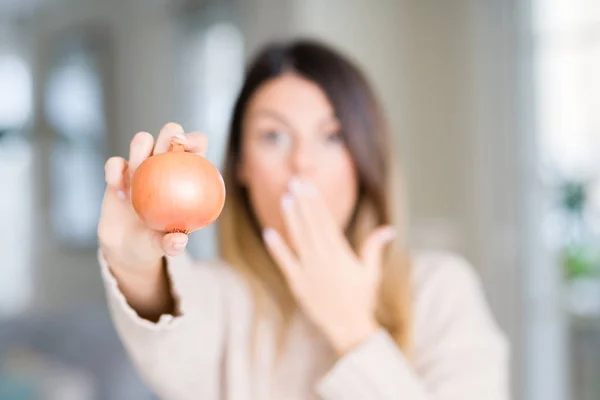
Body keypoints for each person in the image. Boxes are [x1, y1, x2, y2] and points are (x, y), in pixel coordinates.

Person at [97, 40, 509, 399]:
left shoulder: (439, 291)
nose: (303, 164)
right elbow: (170, 333)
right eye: (273, 136)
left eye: (332, 137)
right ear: (241, 166)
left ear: (365, 158)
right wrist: (135, 263)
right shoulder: (224, 298)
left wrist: (351, 328)